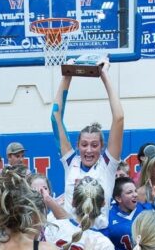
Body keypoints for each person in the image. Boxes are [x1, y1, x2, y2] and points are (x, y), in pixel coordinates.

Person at [52, 57, 124, 229]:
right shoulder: (71, 162)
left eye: (94, 145)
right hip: (69, 235)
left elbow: (119, 118)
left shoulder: (107, 165)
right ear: (77, 145)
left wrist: (104, 75)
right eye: (84, 144)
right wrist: (67, 75)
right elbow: (55, 117)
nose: (89, 150)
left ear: (102, 147)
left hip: (98, 236)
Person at [103, 177, 152, 250]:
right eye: (129, 192)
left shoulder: (146, 209)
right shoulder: (108, 216)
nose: (135, 195)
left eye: (135, 191)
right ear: (118, 198)